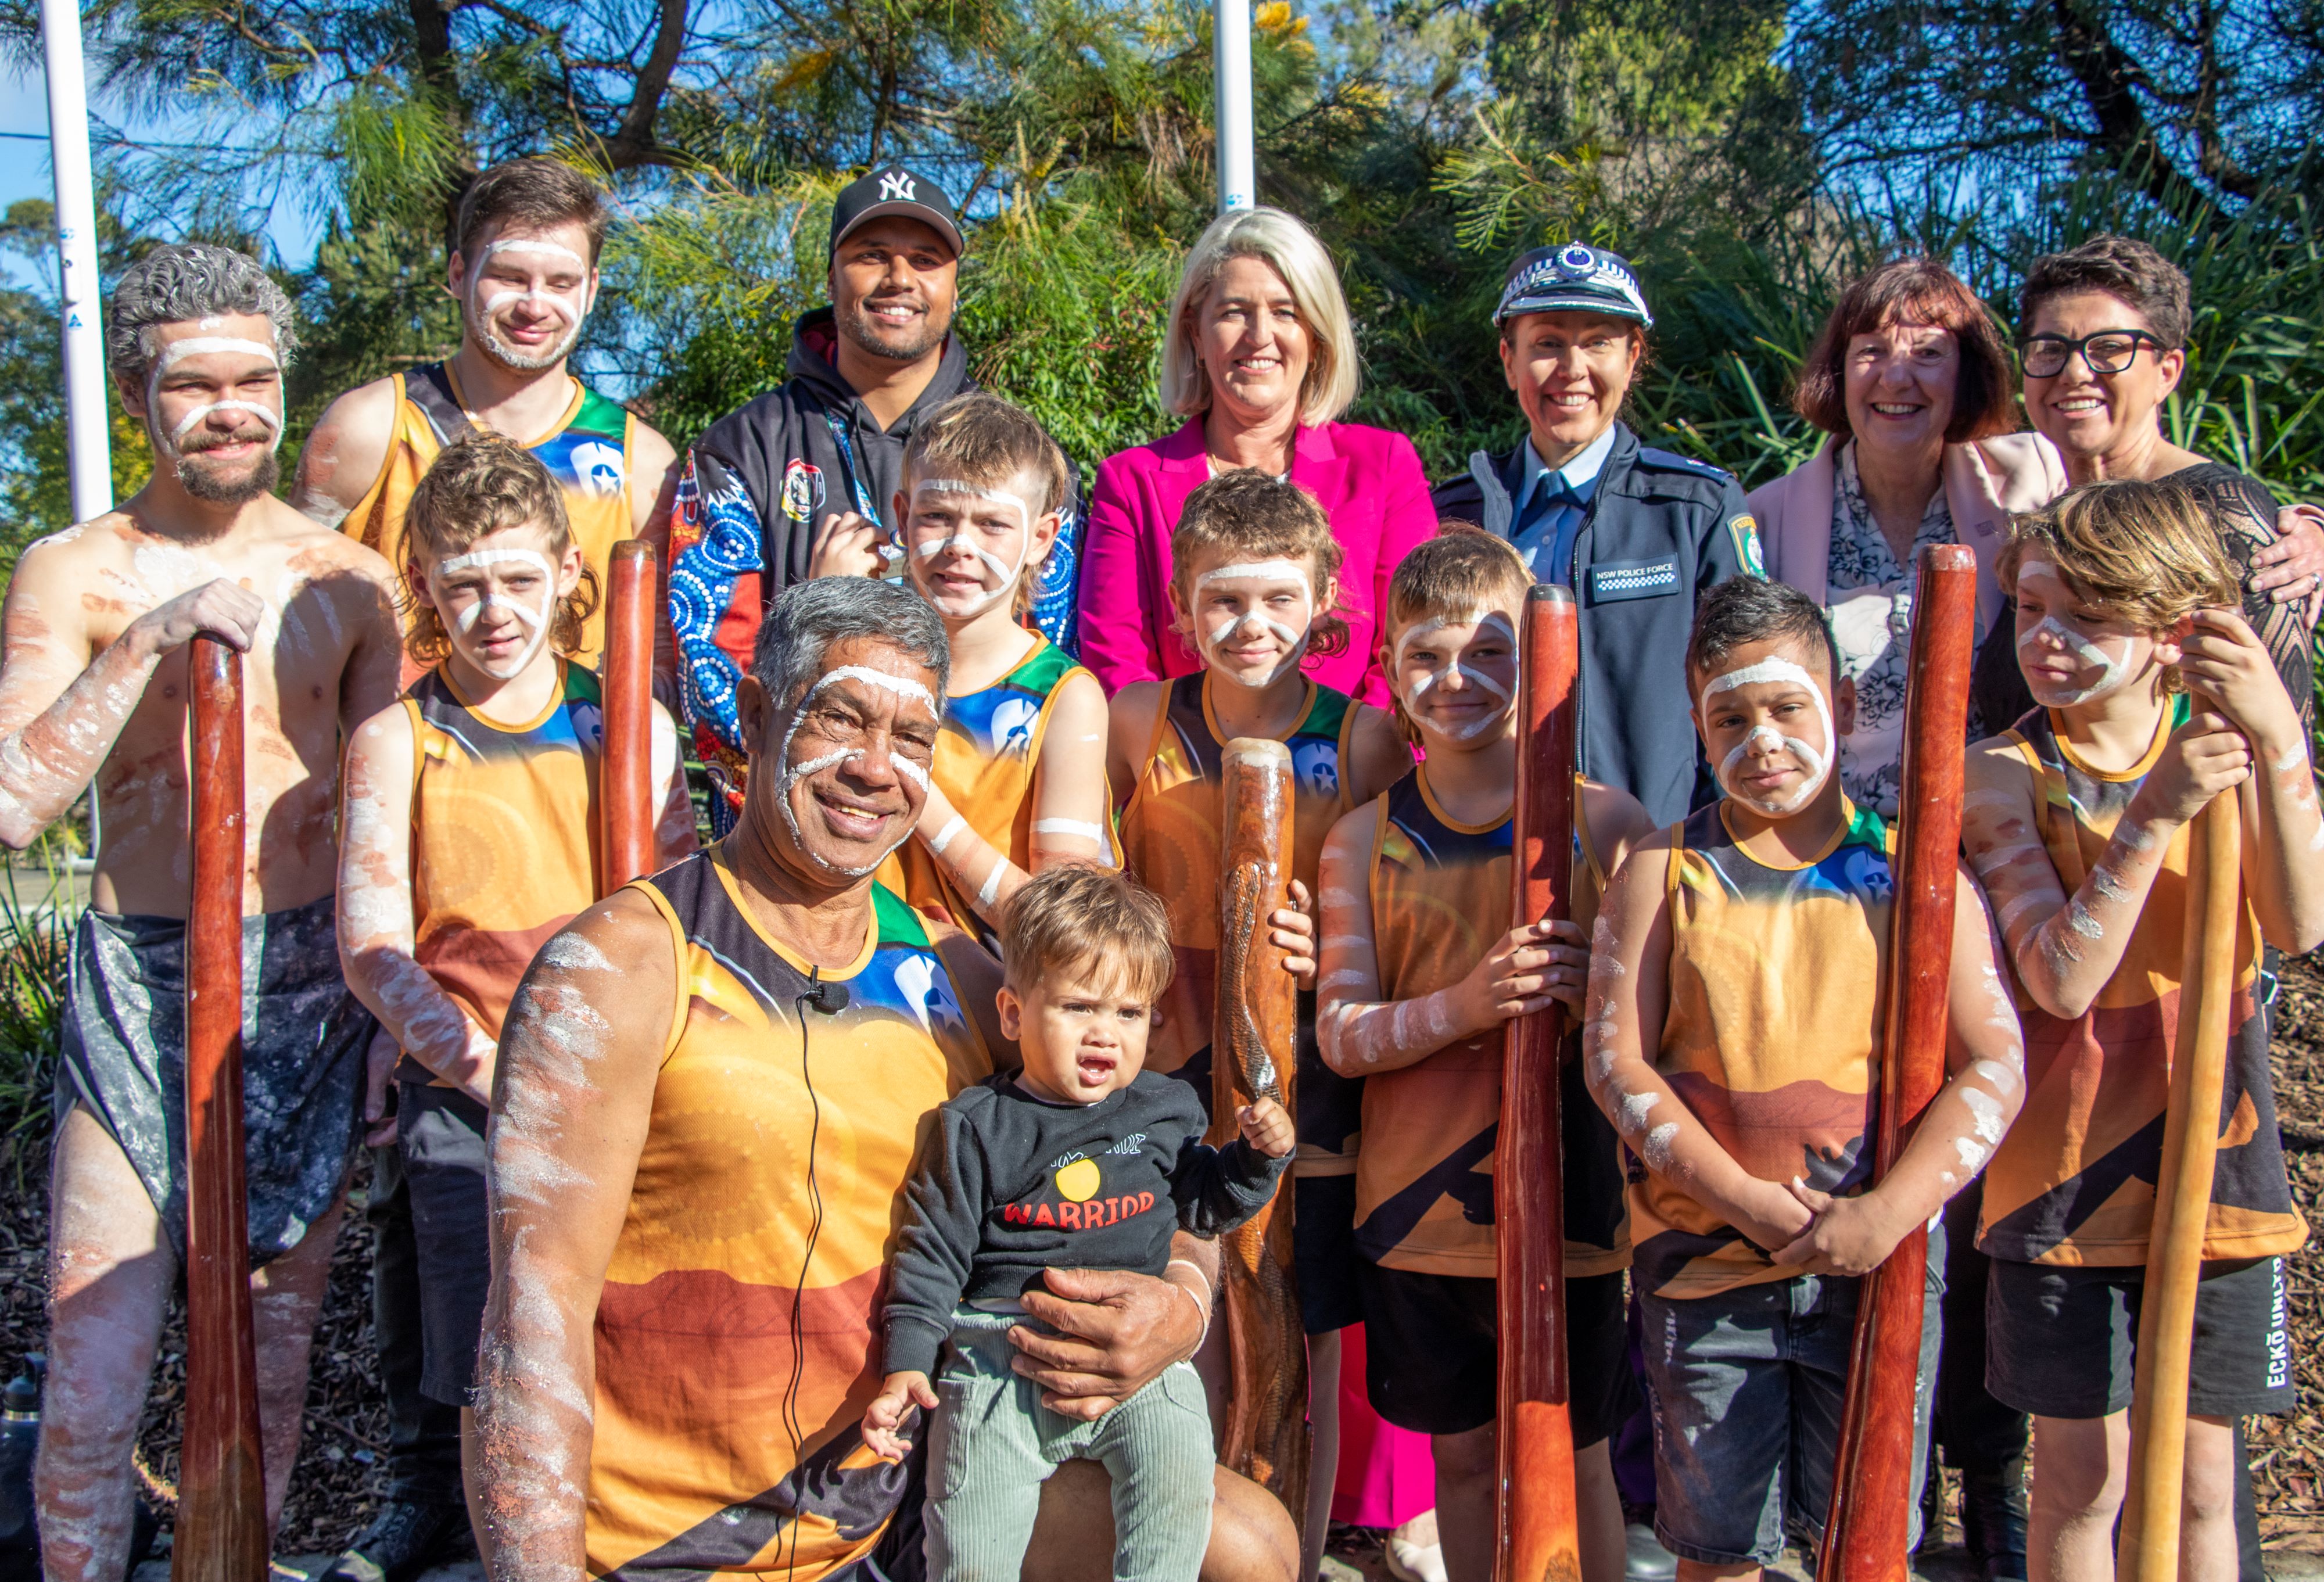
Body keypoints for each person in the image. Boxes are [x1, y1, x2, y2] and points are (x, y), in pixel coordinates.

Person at [471, 576, 1299, 1582]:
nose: (874, 767)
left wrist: (1178, 1305)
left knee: (1249, 1547)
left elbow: (1158, 1156)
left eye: (912, 737)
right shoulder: (626, 965)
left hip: (897, 1505)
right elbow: (531, 1318)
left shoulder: (960, 978)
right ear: (760, 713)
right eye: (841, 716)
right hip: (669, 1546)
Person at [6, 243, 403, 1581]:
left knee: (269, 1364)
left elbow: (395, 814)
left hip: (304, 985)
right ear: (139, 395)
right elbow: (14, 802)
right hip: (141, 976)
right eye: (197, 385)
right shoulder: (74, 571)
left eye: (256, 379)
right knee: (91, 1358)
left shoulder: (352, 582)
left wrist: (393, 1010)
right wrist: (147, 641)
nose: (232, 407)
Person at [1580, 576, 2028, 1582]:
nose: (1763, 737)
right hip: (1705, 1273)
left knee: (1864, 1542)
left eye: (1787, 705)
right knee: (1717, 1547)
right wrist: (1741, 1200)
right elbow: (1616, 1060)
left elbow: (1994, 1061)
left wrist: (1888, 1215)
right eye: (1729, 715)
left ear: (1847, 707)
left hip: (1877, 1266)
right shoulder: (1660, 873)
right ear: (1696, 725)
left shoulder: (1914, 878)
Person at [1959, 482, 2324, 1582]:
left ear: (2174, 631)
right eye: (2029, 611)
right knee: (2085, 1478)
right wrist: (2154, 813)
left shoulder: (2224, 748)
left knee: (2203, 1482)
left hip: (2220, 1167)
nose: (2050, 641)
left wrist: (2275, 736)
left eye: (2086, 616)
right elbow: (2059, 979)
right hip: (2058, 1184)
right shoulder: (2003, 772)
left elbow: (2298, 923)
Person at [333, 432, 697, 1534]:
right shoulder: (399, 735)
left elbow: (676, 919)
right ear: (427, 588)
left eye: (520, 578)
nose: (495, 608)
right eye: (465, 583)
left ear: (568, 574)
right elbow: (371, 943)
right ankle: (434, 1503)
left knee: (620, 1296)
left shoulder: (628, 726)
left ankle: (614, 1507)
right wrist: (474, 1062)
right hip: (470, 1071)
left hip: (607, 1076)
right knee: (461, 1292)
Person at [1312, 527, 1652, 1582]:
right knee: (1460, 1462)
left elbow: (1654, 1020)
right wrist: (1465, 1004)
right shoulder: (1362, 839)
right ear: (1391, 674)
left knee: (1576, 1454)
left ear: (1547, 655)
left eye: (1490, 652)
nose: (1457, 680)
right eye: (1427, 657)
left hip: (1579, 1217)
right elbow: (1341, 1032)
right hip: (1416, 1223)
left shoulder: (1609, 826)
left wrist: (1595, 984)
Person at [865, 865, 1295, 1581]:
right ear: (1013, 1013)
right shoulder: (977, 1126)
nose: (1105, 1033)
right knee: (970, 1546)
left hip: (1142, 1373)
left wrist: (1257, 1158)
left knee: (1174, 1492)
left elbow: (1205, 1205)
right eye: (1078, 1006)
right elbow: (932, 1250)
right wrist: (907, 1363)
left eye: (1128, 1013)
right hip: (1000, 1359)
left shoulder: (1164, 1110)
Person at [670, 167, 1084, 826]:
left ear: (953, 283)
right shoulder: (740, 448)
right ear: (832, 275)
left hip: (979, 837)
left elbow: (1044, 653)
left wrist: (930, 797)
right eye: (871, 256)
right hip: (790, 842)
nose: (899, 278)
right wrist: (811, 626)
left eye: (925, 259)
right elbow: (711, 677)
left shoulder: (1026, 458)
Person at [294, 156, 679, 673]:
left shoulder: (641, 463)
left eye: (561, 283)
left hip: (578, 752)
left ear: (590, 290)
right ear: (458, 274)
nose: (535, 305)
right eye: (509, 276)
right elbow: (289, 619)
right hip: (392, 750)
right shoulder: (370, 426)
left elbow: (653, 668)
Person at [1432, 242, 1758, 827]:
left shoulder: (1693, 508)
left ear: (1633, 358)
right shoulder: (1453, 514)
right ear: (1509, 360)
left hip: (1653, 851)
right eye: (1548, 343)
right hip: (1478, 848)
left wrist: (1708, 845)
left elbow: (1742, 684)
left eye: (1598, 342)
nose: (1572, 369)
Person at [1744, 256, 2067, 817]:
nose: (1896, 376)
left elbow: (2129, 535)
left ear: (1966, 374)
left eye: (1928, 353)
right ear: (1839, 371)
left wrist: (2270, 520)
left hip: (1999, 834)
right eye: (1871, 350)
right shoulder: (1764, 518)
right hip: (1828, 848)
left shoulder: (2033, 478)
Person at [1078, 206, 1436, 708]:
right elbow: (1119, 669)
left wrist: (1353, 763)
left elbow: (1416, 644)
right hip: (1182, 776)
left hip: (1359, 775)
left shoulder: (1384, 465)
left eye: (1285, 311)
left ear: (1316, 336)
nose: (1259, 335)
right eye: (1233, 312)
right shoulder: (1130, 482)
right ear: (1196, 335)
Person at [1973, 235, 2324, 735]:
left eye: (2110, 348)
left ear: (2168, 371)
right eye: (2051, 349)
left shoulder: (2222, 512)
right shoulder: (2044, 524)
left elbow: (2281, 736)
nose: (2074, 372)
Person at [872, 394, 1114, 945]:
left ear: (1040, 540)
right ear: (904, 518)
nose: (961, 545)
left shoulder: (1066, 699)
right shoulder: (864, 668)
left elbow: (1059, 934)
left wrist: (921, 801)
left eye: (992, 524)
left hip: (990, 1016)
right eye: (937, 516)